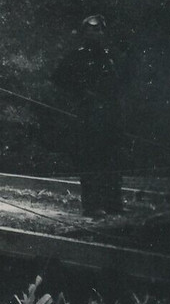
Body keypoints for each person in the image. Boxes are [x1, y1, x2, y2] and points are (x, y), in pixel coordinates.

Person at [51, 14, 123, 217]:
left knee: (111, 159)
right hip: (87, 117)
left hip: (109, 116)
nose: (96, 34)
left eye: (99, 30)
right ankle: (92, 206)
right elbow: (58, 79)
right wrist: (80, 94)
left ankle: (113, 203)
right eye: (91, 31)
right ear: (84, 34)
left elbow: (122, 82)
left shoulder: (110, 56)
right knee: (91, 160)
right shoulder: (77, 56)